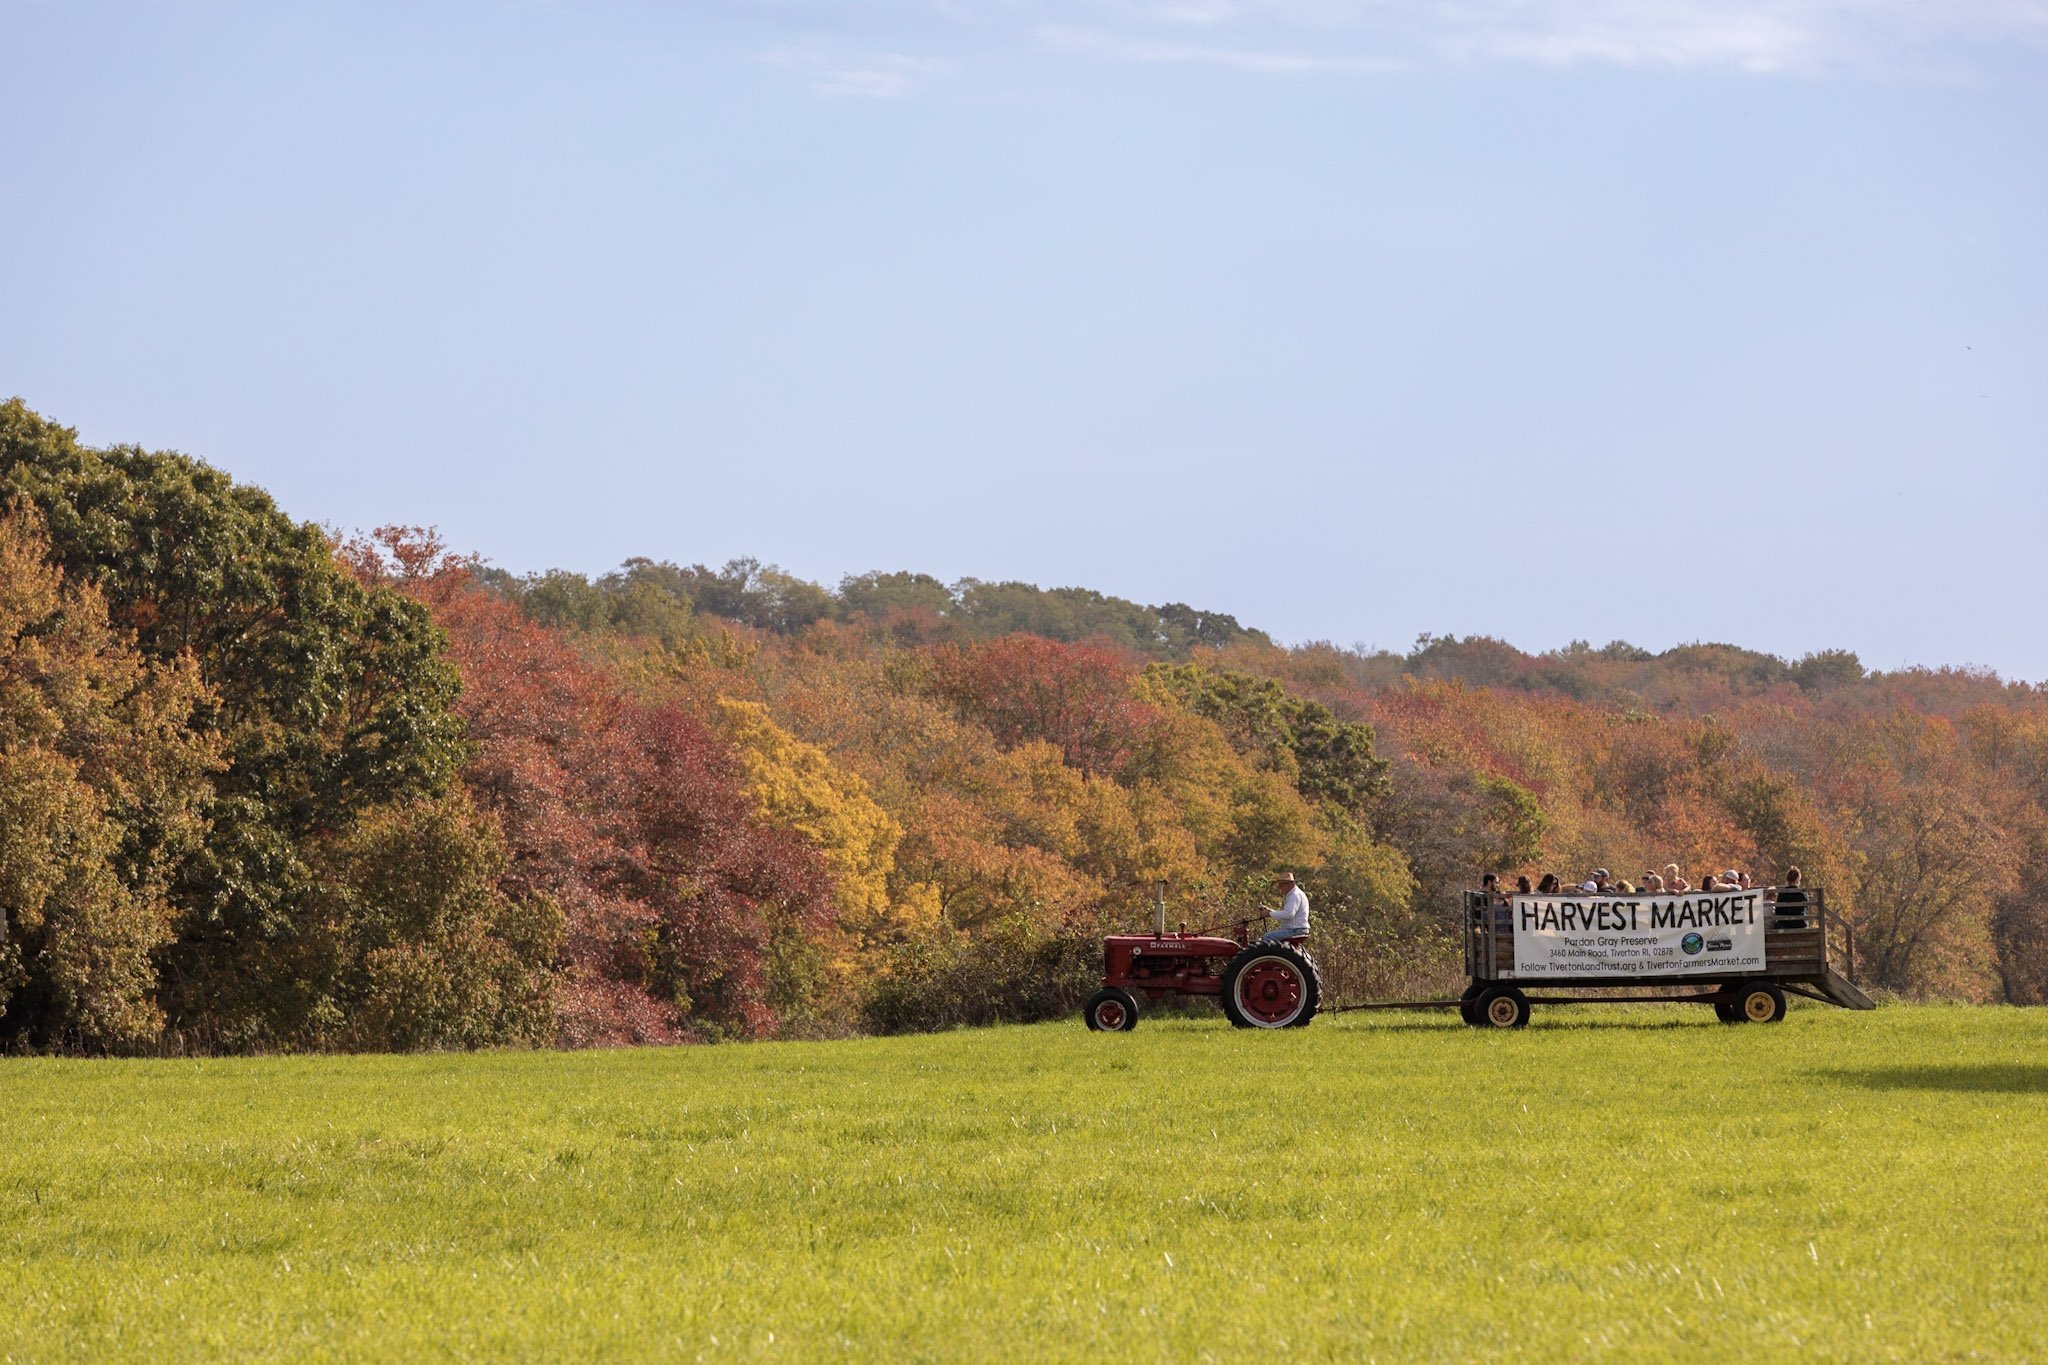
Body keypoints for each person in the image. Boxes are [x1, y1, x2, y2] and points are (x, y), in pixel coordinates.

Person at [1262, 871, 1309, 943]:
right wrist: (1270, 911)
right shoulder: (1294, 894)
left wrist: (1269, 914)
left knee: (1267, 937)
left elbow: (1289, 914)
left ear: (1290, 884)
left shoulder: (1295, 895)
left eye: (1281, 885)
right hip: (1296, 929)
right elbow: (1288, 913)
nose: (1279, 887)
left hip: (1295, 930)